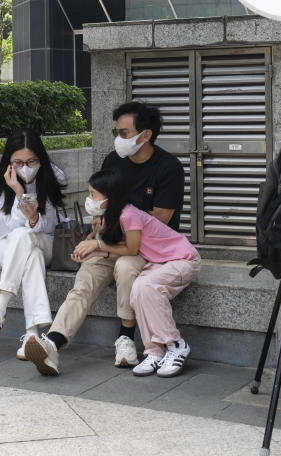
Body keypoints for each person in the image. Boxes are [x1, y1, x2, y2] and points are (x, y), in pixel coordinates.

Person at [29, 101, 185, 372]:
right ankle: (53, 342)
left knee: (126, 267)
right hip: (111, 240)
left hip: (146, 249)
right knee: (86, 277)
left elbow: (159, 220)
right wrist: (93, 238)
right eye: (116, 132)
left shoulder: (168, 167)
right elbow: (101, 207)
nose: (118, 139)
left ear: (145, 135)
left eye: (123, 133)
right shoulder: (113, 161)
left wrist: (101, 241)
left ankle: (125, 337)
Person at [25, 169, 199, 378]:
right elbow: (109, 241)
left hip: (173, 258)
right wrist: (91, 247)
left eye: (93, 194)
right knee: (133, 288)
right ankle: (54, 342)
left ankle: (166, 344)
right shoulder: (108, 214)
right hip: (156, 259)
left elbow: (132, 249)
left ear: (110, 195)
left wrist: (97, 245)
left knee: (142, 284)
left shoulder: (129, 214)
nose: (89, 199)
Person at [0, 128, 65, 359]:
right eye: (18, 162)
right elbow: (15, 224)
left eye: (31, 161)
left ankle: (0, 308)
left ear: (40, 159)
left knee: (28, 240)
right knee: (28, 251)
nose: (25, 167)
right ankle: (32, 335)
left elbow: (45, 226)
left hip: (46, 241)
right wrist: (17, 191)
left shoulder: (54, 176)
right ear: (9, 162)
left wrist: (33, 215)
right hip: (8, 244)